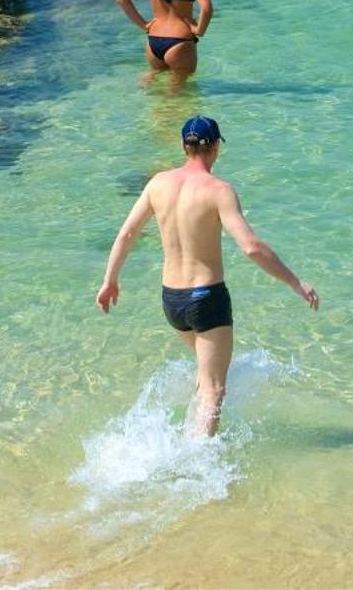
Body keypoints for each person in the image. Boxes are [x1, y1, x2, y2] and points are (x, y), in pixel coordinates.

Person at [96, 116, 318, 436]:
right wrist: (296, 283)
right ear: (215, 148)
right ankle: (199, 462)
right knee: (214, 388)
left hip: (172, 301)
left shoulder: (158, 183)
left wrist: (110, 281)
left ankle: (187, 439)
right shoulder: (218, 190)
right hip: (207, 299)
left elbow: (127, 233)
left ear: (183, 146)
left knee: (206, 374)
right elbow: (252, 247)